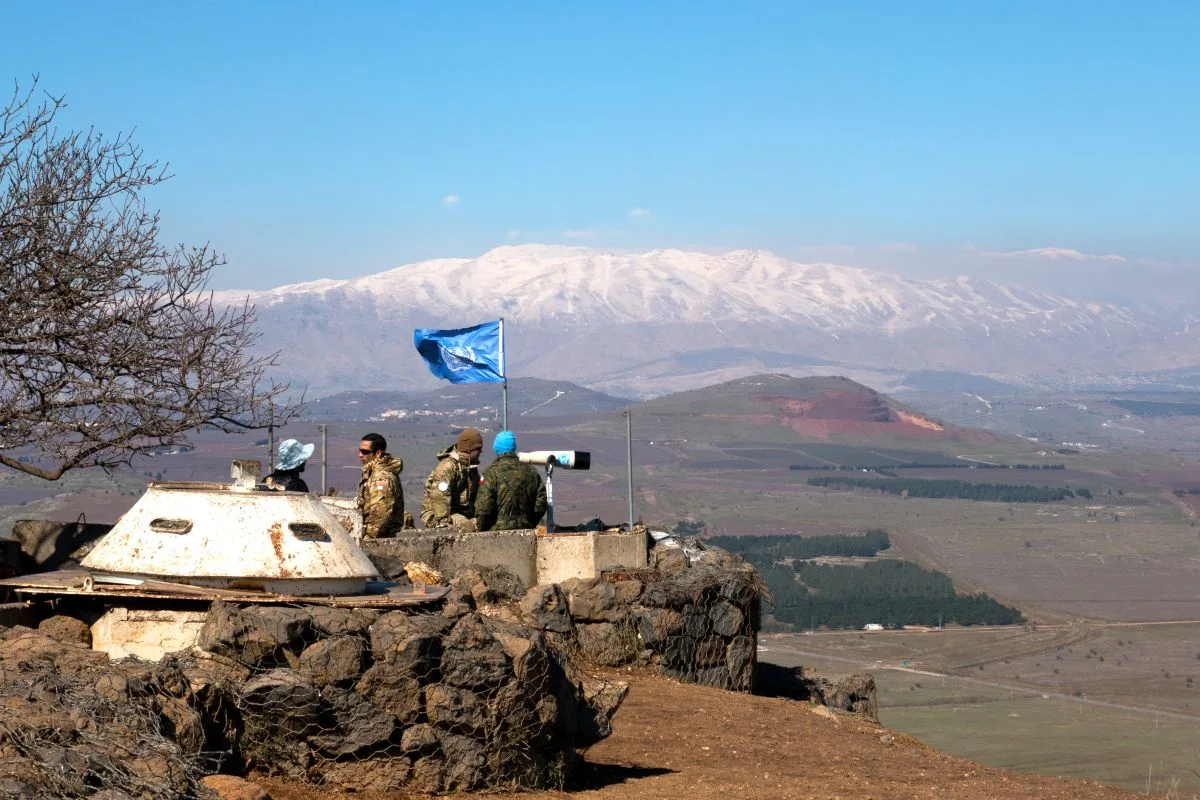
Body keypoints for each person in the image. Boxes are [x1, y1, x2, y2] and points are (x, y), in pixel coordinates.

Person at [474, 431, 547, 531]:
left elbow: (484, 507)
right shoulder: (531, 471)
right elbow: (541, 503)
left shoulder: (491, 472)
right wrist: (530, 522)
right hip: (526, 529)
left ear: (496, 447)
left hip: (497, 532)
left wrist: (482, 528)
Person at [421, 428, 482, 530]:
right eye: (478, 448)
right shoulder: (448, 466)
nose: (481, 451)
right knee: (467, 527)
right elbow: (439, 496)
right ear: (469, 449)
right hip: (437, 514)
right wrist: (444, 521)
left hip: (461, 511)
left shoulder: (470, 468)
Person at [356, 432, 405, 539]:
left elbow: (380, 514)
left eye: (365, 452)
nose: (360, 455)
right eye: (359, 451)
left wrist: (367, 538)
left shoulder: (381, 478)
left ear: (378, 453)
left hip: (380, 538)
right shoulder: (373, 472)